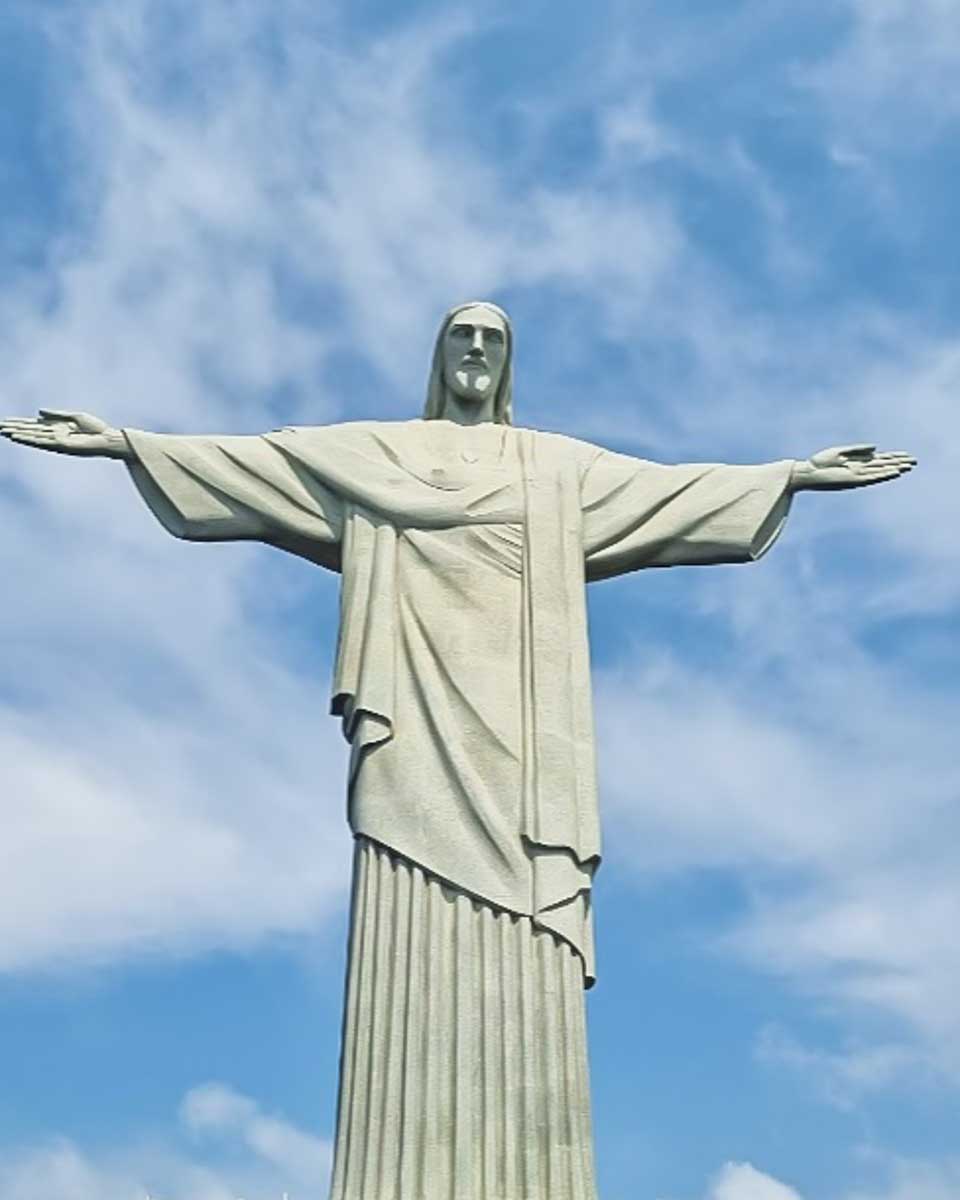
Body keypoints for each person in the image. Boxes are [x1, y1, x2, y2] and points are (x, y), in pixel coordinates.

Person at [1, 302, 915, 1200]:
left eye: (492, 339)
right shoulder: (379, 456)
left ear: (506, 363)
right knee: (408, 912)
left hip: (523, 742)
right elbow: (260, 465)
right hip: (414, 729)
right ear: (440, 358)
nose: (476, 350)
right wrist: (127, 442)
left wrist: (790, 475)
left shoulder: (553, 468)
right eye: (461, 337)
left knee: (527, 928)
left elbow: (665, 490)